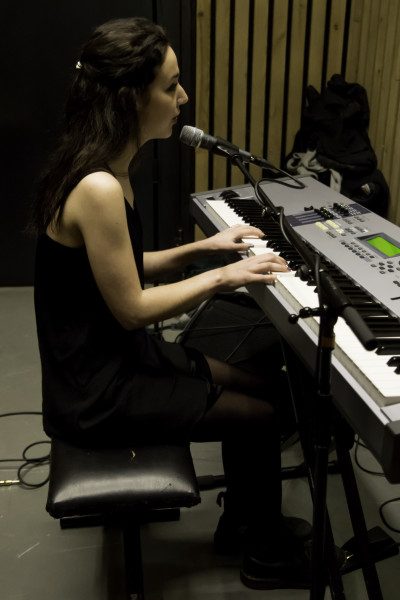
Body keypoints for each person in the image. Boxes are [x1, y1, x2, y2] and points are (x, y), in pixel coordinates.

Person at [32, 17, 311, 589]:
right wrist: (223, 276)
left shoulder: (100, 164)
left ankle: (244, 523)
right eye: (170, 86)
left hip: (116, 360)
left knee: (262, 384)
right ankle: (263, 554)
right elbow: (132, 308)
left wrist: (202, 249)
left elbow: (121, 267)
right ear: (132, 98)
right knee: (261, 417)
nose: (183, 98)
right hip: (99, 392)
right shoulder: (99, 186)